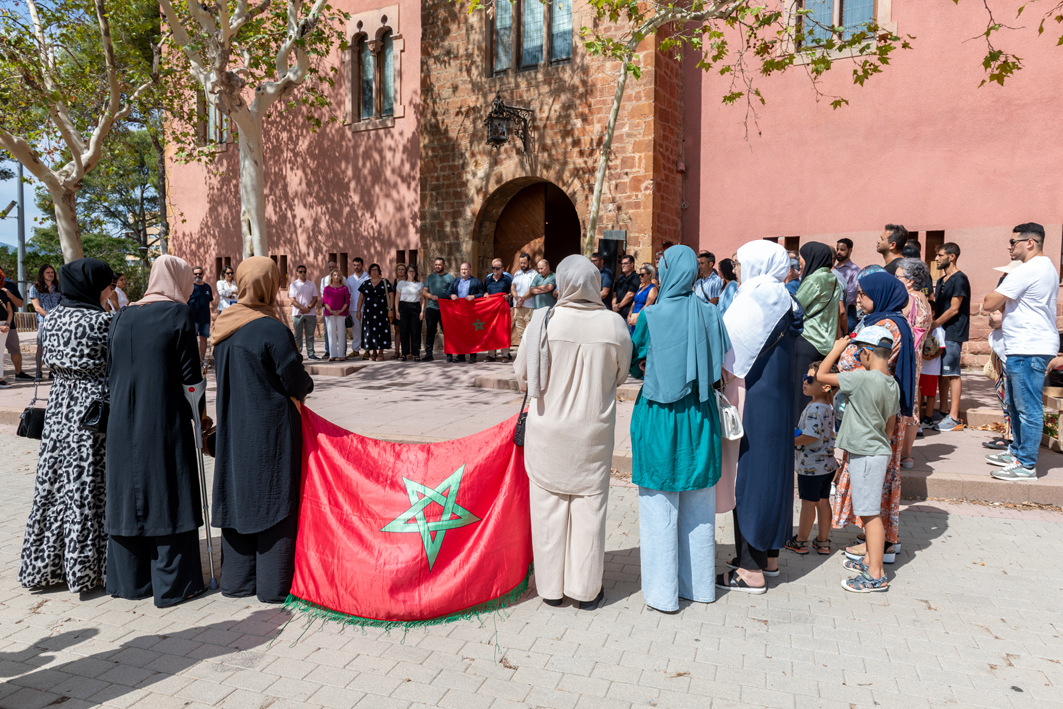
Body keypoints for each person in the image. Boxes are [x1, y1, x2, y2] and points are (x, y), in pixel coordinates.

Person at [514, 255, 631, 610]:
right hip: (592, 433)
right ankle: (586, 591)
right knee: (589, 511)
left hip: (547, 431)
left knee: (548, 509)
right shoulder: (614, 326)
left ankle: (550, 589)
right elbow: (621, 376)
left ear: (562, 283)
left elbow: (522, 376)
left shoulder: (543, 321)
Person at [629, 245, 729, 611]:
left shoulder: (650, 316)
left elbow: (633, 362)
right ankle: (700, 586)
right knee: (699, 508)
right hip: (700, 417)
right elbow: (722, 362)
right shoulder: (711, 313)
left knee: (659, 509)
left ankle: (663, 594)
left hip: (659, 416)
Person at [211, 257, 314, 603]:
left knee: (238, 497)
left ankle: (237, 583)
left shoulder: (223, 326)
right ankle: (272, 586)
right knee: (275, 499)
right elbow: (295, 381)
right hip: (271, 432)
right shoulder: (272, 329)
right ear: (268, 285)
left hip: (233, 429)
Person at [105, 255, 206, 607]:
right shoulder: (179, 314)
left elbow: (112, 368)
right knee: (168, 487)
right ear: (177, 279)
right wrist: (201, 418)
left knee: (128, 488)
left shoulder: (121, 315)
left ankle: (131, 580)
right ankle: (174, 583)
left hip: (121, 418)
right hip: (163, 416)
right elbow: (190, 378)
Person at [18, 258, 115, 593]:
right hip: (93, 412)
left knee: (55, 486)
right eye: (107, 284)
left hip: (59, 408)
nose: (109, 290)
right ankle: (86, 568)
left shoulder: (54, 316)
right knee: (89, 486)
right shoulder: (103, 321)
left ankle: (45, 566)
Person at [716, 240, 803, 594]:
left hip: (755, 398)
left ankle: (749, 570)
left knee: (749, 476)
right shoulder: (783, 296)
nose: (735, 268)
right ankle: (766, 558)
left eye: (738, 262)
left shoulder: (754, 299)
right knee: (773, 474)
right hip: (778, 398)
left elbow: (728, 351)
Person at [831, 271, 915, 568]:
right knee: (881, 483)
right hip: (883, 413)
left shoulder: (886, 325)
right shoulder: (894, 321)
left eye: (864, 295)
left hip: (875, 419)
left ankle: (880, 547)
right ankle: (879, 542)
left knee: (875, 487)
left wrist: (841, 351)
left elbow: (850, 363)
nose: (859, 300)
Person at [816, 327, 900, 593]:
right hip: (878, 451)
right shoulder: (891, 383)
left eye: (857, 353)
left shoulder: (860, 378)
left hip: (866, 455)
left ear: (866, 352)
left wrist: (837, 349)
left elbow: (820, 376)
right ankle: (869, 561)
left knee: (870, 514)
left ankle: (876, 574)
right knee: (869, 510)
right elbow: (890, 424)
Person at [982, 223, 1060, 480]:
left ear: (1030, 243)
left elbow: (989, 303)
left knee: (1027, 408)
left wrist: (998, 293)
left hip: (1028, 347)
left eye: (1013, 242)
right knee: (1016, 405)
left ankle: (1026, 464)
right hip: (1025, 345)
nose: (1009, 246)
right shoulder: (1045, 266)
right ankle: (1016, 452)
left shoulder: (1028, 269)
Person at [784, 360, 839, 557]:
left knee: (808, 503)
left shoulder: (815, 408)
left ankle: (800, 541)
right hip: (827, 465)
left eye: (809, 379)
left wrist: (790, 440)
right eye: (804, 378)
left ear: (825, 386)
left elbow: (811, 436)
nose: (804, 382)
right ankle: (823, 542)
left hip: (811, 467)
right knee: (824, 502)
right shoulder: (827, 406)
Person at [794, 242, 844, 423]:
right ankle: (819, 431)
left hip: (807, 341)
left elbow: (795, 306)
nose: (800, 261)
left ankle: (801, 435)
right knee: (818, 394)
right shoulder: (833, 279)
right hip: (825, 345)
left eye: (802, 256)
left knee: (803, 394)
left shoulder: (814, 279)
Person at [930, 243, 971, 431]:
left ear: (952, 256)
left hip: (953, 332)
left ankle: (954, 417)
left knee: (952, 372)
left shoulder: (960, 279)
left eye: (940, 255)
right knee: (941, 374)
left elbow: (954, 309)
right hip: (940, 332)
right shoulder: (941, 280)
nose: (937, 258)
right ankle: (944, 410)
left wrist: (934, 324)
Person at [896, 258, 933, 465]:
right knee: (913, 404)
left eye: (898, 276)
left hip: (904, 355)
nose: (895, 280)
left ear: (909, 281)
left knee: (901, 401)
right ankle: (907, 454)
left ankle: (897, 450)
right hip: (917, 358)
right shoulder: (925, 300)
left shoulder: (908, 299)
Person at [446, 262, 486, 362]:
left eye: (466, 269)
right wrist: (451, 296)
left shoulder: (476, 281)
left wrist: (473, 296)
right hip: (458, 312)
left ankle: (473, 355)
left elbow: (482, 293)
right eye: (462, 269)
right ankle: (461, 355)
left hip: (471, 312)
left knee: (471, 333)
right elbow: (448, 292)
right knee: (459, 333)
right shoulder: (455, 281)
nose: (463, 271)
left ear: (470, 270)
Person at [28, 263, 61, 379]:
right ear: (42, 274)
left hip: (59, 321)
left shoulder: (59, 287)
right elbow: (37, 307)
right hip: (44, 321)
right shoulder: (35, 288)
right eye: (48, 272)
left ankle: (54, 371)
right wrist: (50, 316)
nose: (50, 274)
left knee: (56, 346)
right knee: (41, 346)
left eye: (52, 272)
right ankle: (39, 371)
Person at [358, 263, 393, 361]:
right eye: (372, 270)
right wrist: (358, 311)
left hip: (382, 312)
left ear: (379, 271)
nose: (374, 271)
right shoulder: (365, 283)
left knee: (381, 330)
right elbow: (361, 298)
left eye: (376, 269)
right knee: (371, 331)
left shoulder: (384, 282)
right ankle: (373, 352)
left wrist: (390, 309)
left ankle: (381, 353)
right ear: (369, 272)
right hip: (369, 312)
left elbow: (391, 295)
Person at [422, 257, 454, 362]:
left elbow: (454, 292)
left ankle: (449, 354)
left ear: (444, 265)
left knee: (447, 332)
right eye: (436, 264)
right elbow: (424, 291)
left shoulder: (450, 277)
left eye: (439, 264)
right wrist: (431, 296)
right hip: (431, 308)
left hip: (445, 309)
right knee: (430, 331)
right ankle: (428, 354)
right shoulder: (430, 277)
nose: (437, 266)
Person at [0, 266, 28, 381]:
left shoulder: (10, 286)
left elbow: (20, 304)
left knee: (15, 349)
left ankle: (19, 373)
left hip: (8, 324)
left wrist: (9, 294)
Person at [484, 258, 513, 362]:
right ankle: (491, 354)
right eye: (493, 268)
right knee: (491, 330)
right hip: (491, 310)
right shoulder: (488, 279)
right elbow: (485, 292)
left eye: (497, 268)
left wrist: (508, 295)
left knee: (503, 330)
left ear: (502, 269)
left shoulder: (507, 279)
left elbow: (513, 291)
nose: (495, 270)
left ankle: (504, 354)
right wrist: (485, 294)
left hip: (503, 308)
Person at [395, 263, 425, 361]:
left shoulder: (419, 284)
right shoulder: (401, 284)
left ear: (415, 273)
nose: (411, 273)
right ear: (406, 272)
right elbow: (397, 298)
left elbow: (422, 299)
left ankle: (416, 354)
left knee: (416, 331)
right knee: (404, 331)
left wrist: (422, 311)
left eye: (413, 271)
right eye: (409, 271)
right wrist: (396, 311)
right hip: (403, 307)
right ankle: (404, 354)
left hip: (415, 307)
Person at [289, 264, 319, 360]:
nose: (303, 273)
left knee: (310, 335)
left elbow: (315, 298)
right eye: (301, 272)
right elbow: (292, 300)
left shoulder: (311, 284)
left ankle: (311, 353)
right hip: (298, 314)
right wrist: (302, 308)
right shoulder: (293, 285)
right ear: (297, 273)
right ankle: (298, 353)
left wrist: (308, 307)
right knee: (297, 335)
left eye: (304, 271)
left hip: (310, 313)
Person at [510, 253, 537, 360]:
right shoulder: (517, 274)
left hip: (529, 307)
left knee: (530, 332)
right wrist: (517, 298)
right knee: (520, 332)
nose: (522, 265)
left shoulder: (534, 274)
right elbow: (513, 287)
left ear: (529, 262)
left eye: (524, 263)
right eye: (521, 263)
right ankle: (522, 356)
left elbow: (532, 290)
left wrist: (522, 299)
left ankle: (531, 356)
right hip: (518, 307)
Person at [188, 266, 214, 367]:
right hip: (193, 318)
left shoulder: (208, 287)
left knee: (204, 339)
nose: (198, 275)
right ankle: (193, 360)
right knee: (192, 339)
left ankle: (202, 360)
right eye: (196, 274)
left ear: (203, 274)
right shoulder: (190, 287)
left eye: (200, 273)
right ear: (193, 275)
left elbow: (210, 302)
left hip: (205, 318)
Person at [322, 269, 350, 361]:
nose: (336, 277)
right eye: (334, 275)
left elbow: (347, 301)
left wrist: (341, 310)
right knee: (331, 333)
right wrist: (331, 311)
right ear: (331, 277)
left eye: (338, 275)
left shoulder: (344, 288)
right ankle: (332, 354)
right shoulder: (327, 288)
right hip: (329, 314)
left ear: (340, 277)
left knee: (342, 333)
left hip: (341, 313)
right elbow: (324, 301)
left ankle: (341, 354)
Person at [834, 238, 861, 333]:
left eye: (842, 250)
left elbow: (851, 295)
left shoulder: (855, 270)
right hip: (832, 311)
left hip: (847, 311)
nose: (838, 252)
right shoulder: (833, 269)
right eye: (837, 249)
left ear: (850, 250)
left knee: (846, 336)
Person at [346, 257, 369, 358]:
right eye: (354, 265)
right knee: (355, 330)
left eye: (358, 265)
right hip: (353, 308)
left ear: (362, 265)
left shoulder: (368, 277)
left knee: (366, 330)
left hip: (366, 308)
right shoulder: (350, 279)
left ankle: (367, 350)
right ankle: (355, 350)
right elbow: (347, 294)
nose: (356, 267)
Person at [627, 263, 658, 334]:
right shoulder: (640, 288)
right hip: (635, 317)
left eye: (642, 275)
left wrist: (637, 316)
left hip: (643, 317)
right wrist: (629, 315)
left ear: (650, 275)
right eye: (639, 275)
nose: (640, 277)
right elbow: (634, 302)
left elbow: (648, 304)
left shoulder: (652, 288)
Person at [612, 254, 640, 320]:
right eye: (622, 264)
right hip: (617, 313)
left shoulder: (636, 277)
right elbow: (614, 293)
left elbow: (630, 294)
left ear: (632, 264)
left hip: (627, 314)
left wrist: (618, 306)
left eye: (625, 263)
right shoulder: (620, 277)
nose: (623, 265)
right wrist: (613, 305)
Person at [319, 259, 337, 358]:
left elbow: (346, 293)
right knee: (328, 330)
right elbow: (323, 296)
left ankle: (342, 350)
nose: (331, 269)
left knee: (341, 330)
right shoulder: (324, 280)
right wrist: (329, 309)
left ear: (336, 267)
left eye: (333, 267)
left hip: (340, 310)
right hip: (327, 309)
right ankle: (328, 350)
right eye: (329, 267)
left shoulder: (342, 278)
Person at [390, 263, 406, 359]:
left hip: (407, 307)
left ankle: (409, 351)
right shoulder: (394, 282)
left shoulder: (409, 281)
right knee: (397, 330)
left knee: (408, 330)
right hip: (397, 308)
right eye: (399, 269)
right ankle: (396, 351)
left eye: (402, 269)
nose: (400, 271)